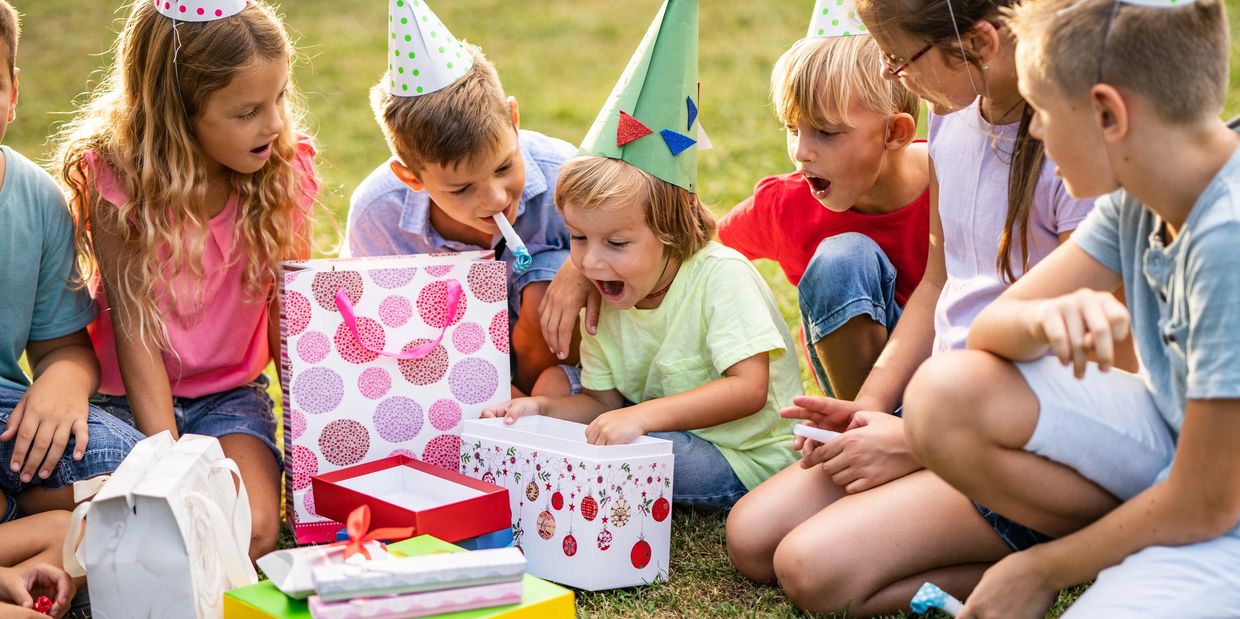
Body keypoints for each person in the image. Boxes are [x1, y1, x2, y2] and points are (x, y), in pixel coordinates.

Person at [725, 0, 1098, 613]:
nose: (892, 75)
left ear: (977, 44)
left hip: (1033, 449)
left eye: (899, 57)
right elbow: (937, 287)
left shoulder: (1069, 150)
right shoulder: (952, 122)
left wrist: (917, 442)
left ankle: (1061, 555)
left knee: (810, 571)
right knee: (751, 539)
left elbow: (1078, 357)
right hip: (948, 416)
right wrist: (868, 409)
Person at [906, 1, 1240, 616]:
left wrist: (1040, 568)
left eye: (1045, 113)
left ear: (1108, 114)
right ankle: (1139, 545)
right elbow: (988, 332)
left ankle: (1143, 556)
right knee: (942, 393)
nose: (1035, 132)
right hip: (1186, 457)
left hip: (1220, 507)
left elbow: (1211, 501)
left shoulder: (1228, 237)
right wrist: (1040, 319)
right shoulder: (1144, 188)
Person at [483, 0, 798, 511]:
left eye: (617, 243)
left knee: (621, 454)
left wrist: (643, 417)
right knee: (598, 444)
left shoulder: (720, 276)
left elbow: (749, 390)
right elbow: (603, 403)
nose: (590, 262)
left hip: (748, 457)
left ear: (670, 231)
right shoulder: (607, 294)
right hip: (665, 436)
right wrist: (541, 408)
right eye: (579, 238)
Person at [55, 0, 320, 560]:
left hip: (229, 396)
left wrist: (309, 437)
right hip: (125, 399)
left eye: (278, 97)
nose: (274, 122)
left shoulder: (284, 172)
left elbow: (288, 319)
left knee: (249, 531)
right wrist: (169, 461)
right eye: (248, 111)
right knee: (153, 523)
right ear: (179, 113)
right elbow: (134, 328)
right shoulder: (118, 181)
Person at [344, 0, 578, 395]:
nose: (495, 198)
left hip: (556, 369)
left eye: (504, 166)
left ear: (513, 120)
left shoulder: (565, 179)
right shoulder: (379, 213)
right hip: (440, 371)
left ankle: (539, 417)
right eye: (461, 189)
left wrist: (579, 269)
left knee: (548, 285)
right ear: (409, 177)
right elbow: (374, 319)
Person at [719, 32, 928, 402]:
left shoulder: (956, 184)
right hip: (858, 398)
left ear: (895, 132)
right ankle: (857, 431)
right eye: (792, 129)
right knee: (842, 259)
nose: (801, 153)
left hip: (951, 380)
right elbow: (699, 249)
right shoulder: (786, 205)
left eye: (827, 133)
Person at [0, 0, 142, 524]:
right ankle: (32, 525)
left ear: (13, 94)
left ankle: (22, 512)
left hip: (5, 417)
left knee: (133, 469)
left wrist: (60, 381)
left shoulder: (35, 199)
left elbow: (63, 346)